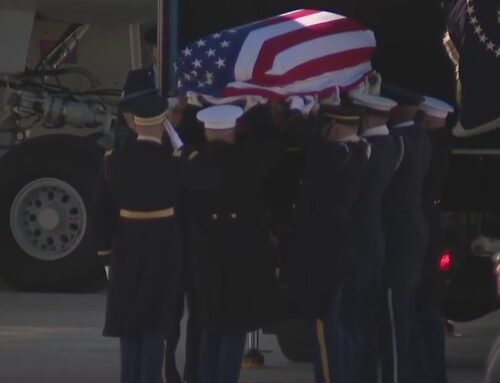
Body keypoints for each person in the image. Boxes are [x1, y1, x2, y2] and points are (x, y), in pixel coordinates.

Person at [92, 95, 220, 383]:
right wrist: (185, 149)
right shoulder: (174, 160)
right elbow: (210, 181)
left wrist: (105, 255)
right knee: (154, 323)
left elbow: (100, 210)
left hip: (125, 247)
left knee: (129, 324)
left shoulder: (113, 159)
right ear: (164, 125)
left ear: (135, 124)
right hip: (163, 246)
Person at [187, 104, 284, 383]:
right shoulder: (249, 159)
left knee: (209, 329)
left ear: (205, 131)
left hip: (205, 257)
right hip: (242, 260)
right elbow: (275, 143)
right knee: (233, 330)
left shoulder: (191, 159)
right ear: (235, 128)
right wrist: (258, 112)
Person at [281, 96, 370, 383]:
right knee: (335, 322)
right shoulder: (357, 150)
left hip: (324, 254)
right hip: (338, 249)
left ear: (334, 126)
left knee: (323, 325)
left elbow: (306, 139)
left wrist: (297, 112)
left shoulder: (336, 154)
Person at [341, 91, 401, 383]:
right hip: (372, 237)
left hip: (360, 240)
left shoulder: (367, 150)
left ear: (364, 117)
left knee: (356, 315)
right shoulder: (391, 144)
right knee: (364, 314)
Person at [380, 83, 432, 383]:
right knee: (405, 315)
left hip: (399, 236)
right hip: (411, 231)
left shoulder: (398, 142)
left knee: (396, 319)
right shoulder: (419, 137)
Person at [416, 96, 454, 383]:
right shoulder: (442, 143)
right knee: (430, 304)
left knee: (423, 307)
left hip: (424, 231)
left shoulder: (428, 147)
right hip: (432, 226)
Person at [115, 26, 159, 148]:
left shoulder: (185, 78)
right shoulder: (137, 77)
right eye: (159, 47)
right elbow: (126, 108)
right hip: (142, 138)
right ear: (152, 51)